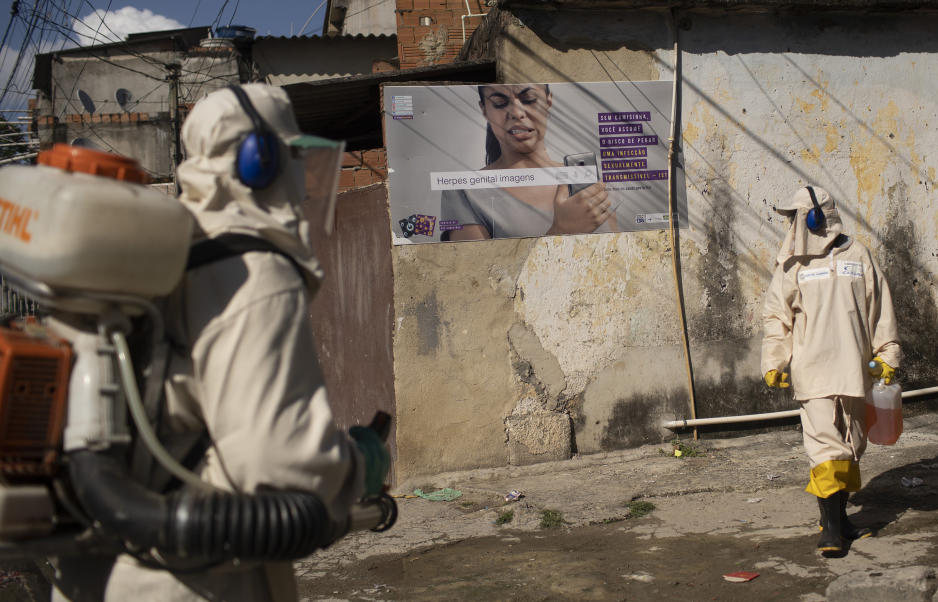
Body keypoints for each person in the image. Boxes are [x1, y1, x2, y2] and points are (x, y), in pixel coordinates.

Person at [51, 84, 389, 601]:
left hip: (98, 576)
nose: (301, 178)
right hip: (194, 582)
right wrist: (358, 465)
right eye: (293, 155)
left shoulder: (164, 250)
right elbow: (278, 468)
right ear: (261, 158)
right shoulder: (250, 270)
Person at [761, 185, 901, 557]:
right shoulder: (792, 265)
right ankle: (832, 532)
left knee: (853, 445)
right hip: (813, 371)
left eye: (796, 217)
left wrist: (887, 352)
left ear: (814, 219)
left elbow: (880, 308)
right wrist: (774, 359)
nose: (791, 225)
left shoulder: (858, 255)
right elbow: (777, 316)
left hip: (855, 372)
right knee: (825, 447)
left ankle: (840, 520)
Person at [441, 83, 617, 240]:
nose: (517, 113)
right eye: (499, 102)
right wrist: (562, 230)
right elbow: (475, 272)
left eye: (529, 99)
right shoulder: (463, 190)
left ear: (548, 102)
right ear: (484, 109)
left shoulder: (589, 182)